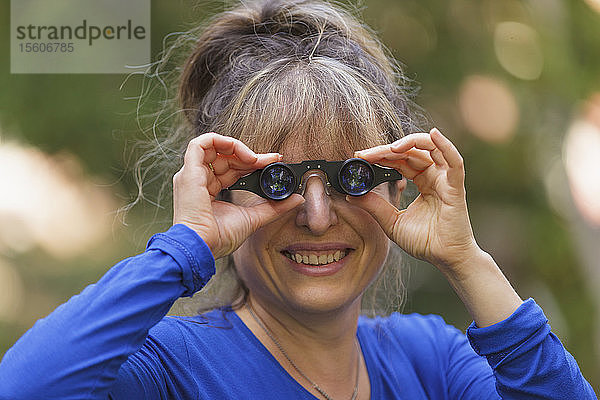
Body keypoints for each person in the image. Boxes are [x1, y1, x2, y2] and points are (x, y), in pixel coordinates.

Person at [0, 0, 597, 398]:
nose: (316, 217)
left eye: (350, 178)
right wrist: (185, 250)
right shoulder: (171, 368)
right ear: (221, 198)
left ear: (396, 185)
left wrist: (465, 259)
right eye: (276, 183)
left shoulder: (430, 363)